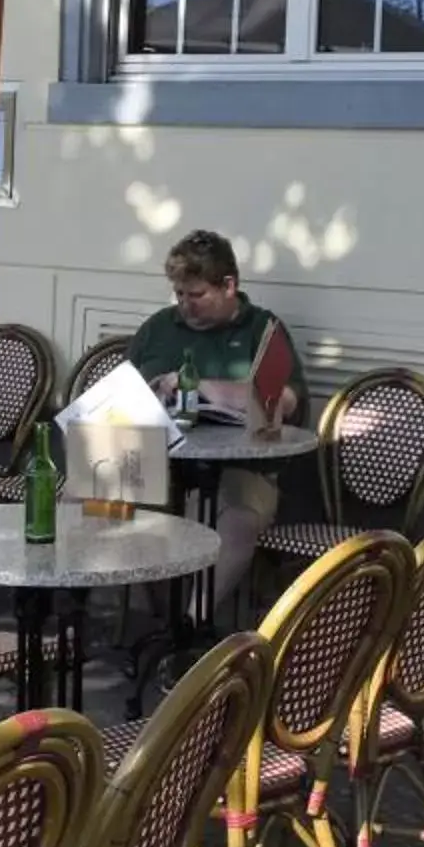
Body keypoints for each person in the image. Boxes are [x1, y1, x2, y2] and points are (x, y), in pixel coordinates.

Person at [128, 229, 310, 631]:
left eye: (196, 296)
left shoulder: (262, 328)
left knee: (240, 521)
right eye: (179, 295)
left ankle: (193, 626)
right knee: (82, 496)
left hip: (241, 469)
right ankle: (151, 621)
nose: (185, 306)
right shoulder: (160, 327)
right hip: (159, 463)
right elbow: (124, 391)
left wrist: (204, 385)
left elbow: (285, 402)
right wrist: (153, 390)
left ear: (229, 285)